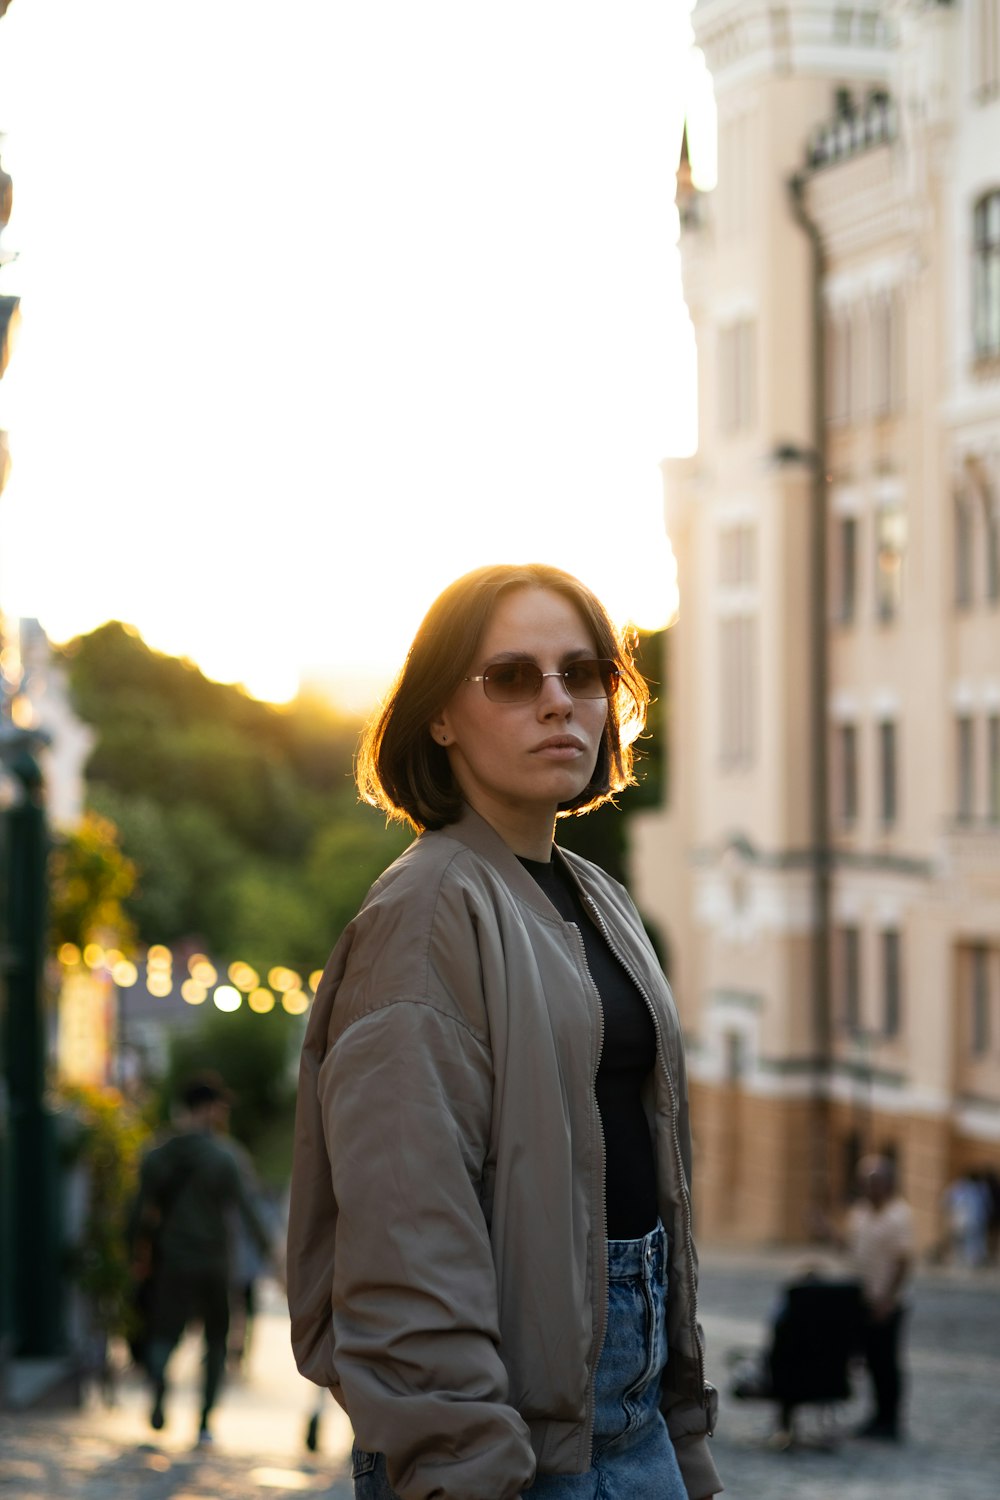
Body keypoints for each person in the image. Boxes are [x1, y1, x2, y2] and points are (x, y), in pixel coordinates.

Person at [287, 563, 721, 1500]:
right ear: (440, 714)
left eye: (585, 673)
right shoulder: (426, 909)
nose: (558, 703)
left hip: (627, 1423)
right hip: (507, 1449)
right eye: (513, 678)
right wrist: (461, 1462)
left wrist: (683, 1436)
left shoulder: (595, 892)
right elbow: (406, 1228)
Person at [128, 1071, 283, 1444]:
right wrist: (274, 1259)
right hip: (215, 1260)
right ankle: (204, 1424)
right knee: (216, 1339)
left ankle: (158, 1391)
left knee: (165, 1332)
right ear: (212, 1109)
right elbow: (248, 1211)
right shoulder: (225, 1157)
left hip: (171, 1260)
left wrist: (133, 1252)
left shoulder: (158, 1154)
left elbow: (137, 1211)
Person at [843, 1155, 915, 1442]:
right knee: (870, 1361)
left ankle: (890, 1419)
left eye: (875, 1181)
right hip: (863, 1298)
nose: (869, 1187)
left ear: (887, 1184)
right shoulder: (860, 1212)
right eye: (865, 1182)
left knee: (887, 1363)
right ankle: (876, 1416)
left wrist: (888, 1299)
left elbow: (903, 1261)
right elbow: (853, 1250)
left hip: (888, 1302)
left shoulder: (899, 1215)